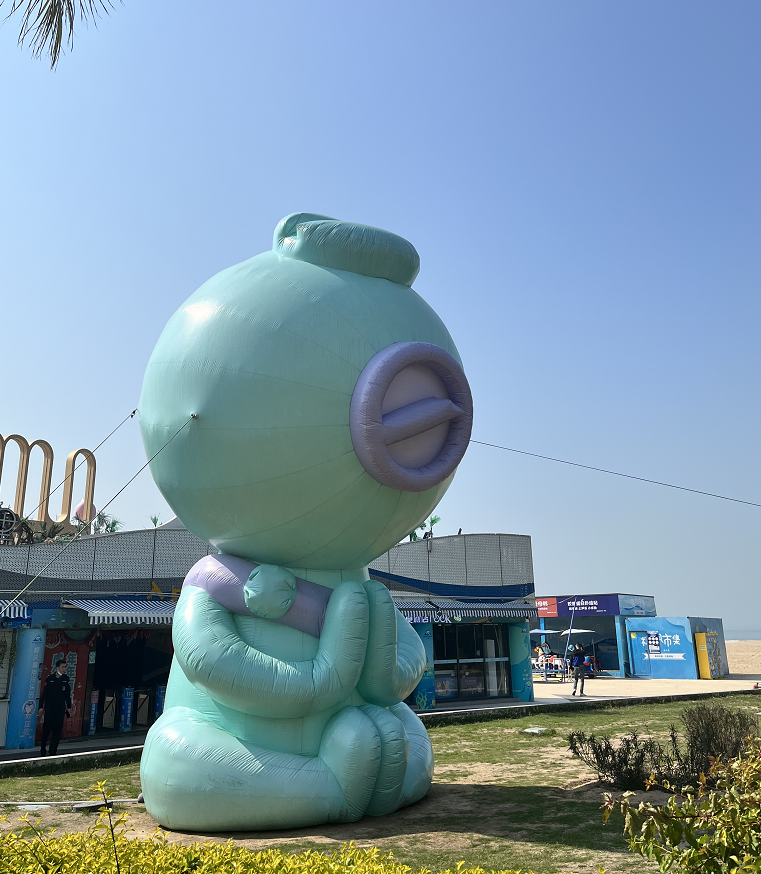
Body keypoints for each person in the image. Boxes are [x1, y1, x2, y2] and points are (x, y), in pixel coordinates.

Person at [39, 659, 71, 756]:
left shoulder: (65, 679)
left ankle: (53, 751)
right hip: (49, 709)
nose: (64, 669)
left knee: (57, 731)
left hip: (60, 709)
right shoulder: (50, 679)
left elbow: (67, 695)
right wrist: (41, 707)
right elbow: (44, 694)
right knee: (47, 730)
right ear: (57, 667)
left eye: (65, 667)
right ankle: (43, 748)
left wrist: (69, 706)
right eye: (62, 667)